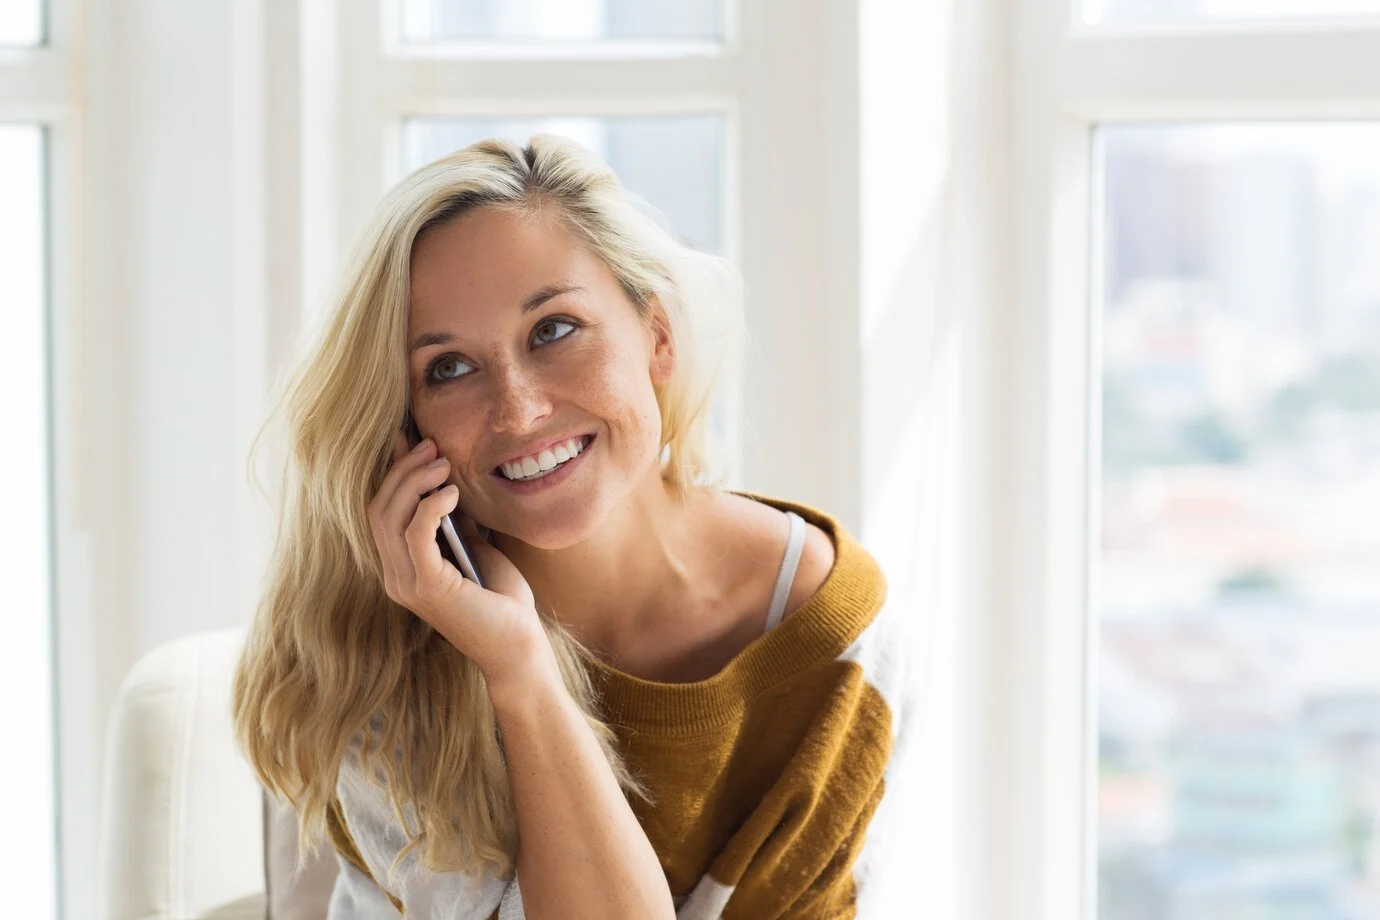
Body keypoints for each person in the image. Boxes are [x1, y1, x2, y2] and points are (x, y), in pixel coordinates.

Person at [232, 134, 913, 920]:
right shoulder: (382, 658)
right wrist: (517, 668)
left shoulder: (837, 640)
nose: (517, 409)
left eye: (553, 330)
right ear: (406, 430)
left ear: (657, 335)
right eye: (448, 369)